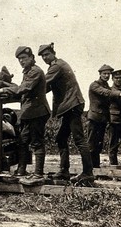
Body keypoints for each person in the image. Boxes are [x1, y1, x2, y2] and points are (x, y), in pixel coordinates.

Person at [0, 46, 50, 186]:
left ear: (31, 58)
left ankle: (38, 174)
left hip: (37, 112)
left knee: (36, 142)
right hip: (28, 112)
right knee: (22, 141)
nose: (21, 61)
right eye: (19, 59)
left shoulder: (35, 71)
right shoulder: (28, 71)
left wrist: (4, 89)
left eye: (24, 58)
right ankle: (21, 172)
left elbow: (24, 88)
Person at [38, 43, 93, 183]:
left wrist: (26, 90)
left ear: (53, 53)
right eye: (42, 56)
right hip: (71, 105)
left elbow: (42, 83)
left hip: (72, 105)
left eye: (47, 54)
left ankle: (88, 173)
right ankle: (64, 170)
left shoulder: (56, 66)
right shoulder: (57, 65)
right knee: (61, 138)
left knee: (79, 139)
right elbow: (47, 87)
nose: (44, 58)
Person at [87, 64, 121, 168]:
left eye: (108, 74)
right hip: (94, 119)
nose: (107, 76)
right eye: (105, 74)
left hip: (103, 120)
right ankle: (89, 169)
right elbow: (105, 92)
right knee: (91, 145)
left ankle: (96, 168)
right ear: (100, 74)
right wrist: (120, 94)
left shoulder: (107, 86)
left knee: (99, 145)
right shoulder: (94, 85)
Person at [108, 69, 121, 165]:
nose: (118, 80)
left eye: (120, 78)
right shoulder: (109, 91)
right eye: (116, 78)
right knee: (113, 145)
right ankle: (114, 167)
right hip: (114, 122)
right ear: (112, 79)